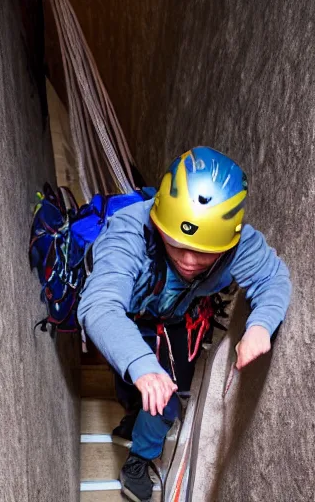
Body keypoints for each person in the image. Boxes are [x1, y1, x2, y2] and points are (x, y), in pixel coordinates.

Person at [77, 146, 291, 502]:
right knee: (132, 379)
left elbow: (274, 279)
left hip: (174, 319)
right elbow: (100, 306)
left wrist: (260, 325)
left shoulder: (239, 246)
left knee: (168, 402)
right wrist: (142, 366)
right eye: (178, 245)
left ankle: (139, 457)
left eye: (205, 251)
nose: (190, 261)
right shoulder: (130, 230)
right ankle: (133, 416)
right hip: (126, 318)